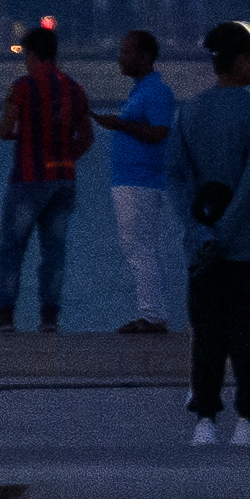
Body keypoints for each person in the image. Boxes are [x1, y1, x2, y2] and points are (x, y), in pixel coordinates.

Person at [172, 17, 250, 449]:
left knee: (207, 330)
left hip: (200, 246)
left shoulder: (190, 111)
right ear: (238, 62)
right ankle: (247, 419)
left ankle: (204, 418)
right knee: (247, 332)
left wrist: (198, 228)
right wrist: (226, 228)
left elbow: (177, 177)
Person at [0, 25, 90, 334]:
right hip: (63, 180)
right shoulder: (75, 89)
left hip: (29, 179)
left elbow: (4, 130)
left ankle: (4, 314)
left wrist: (23, 136)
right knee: (54, 252)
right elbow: (86, 137)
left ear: (31, 54)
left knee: (12, 249)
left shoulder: (22, 87)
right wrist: (65, 156)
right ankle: (49, 318)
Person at [97, 26, 186, 340]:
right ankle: (150, 312)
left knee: (140, 247)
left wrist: (119, 124)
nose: (121, 58)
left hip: (141, 181)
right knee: (139, 247)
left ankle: (152, 315)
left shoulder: (157, 91)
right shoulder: (140, 91)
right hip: (130, 180)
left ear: (145, 57)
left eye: (127, 51)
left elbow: (160, 133)